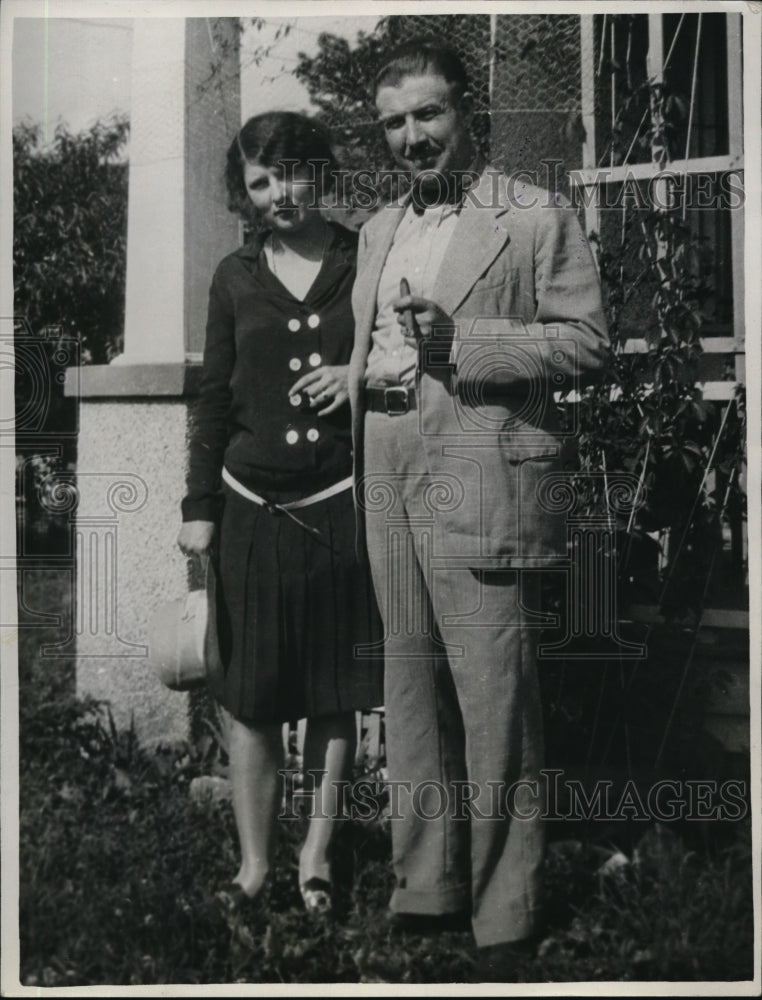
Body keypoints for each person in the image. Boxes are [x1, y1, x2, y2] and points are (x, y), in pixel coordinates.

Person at [348, 42, 610, 978]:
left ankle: (507, 907)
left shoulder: (534, 215)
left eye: (428, 115)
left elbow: (585, 344)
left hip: (480, 462)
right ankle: (427, 886)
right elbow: (370, 344)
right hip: (386, 453)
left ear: (469, 114)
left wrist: (469, 341)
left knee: (494, 694)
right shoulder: (378, 229)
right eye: (394, 122)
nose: (412, 137)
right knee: (410, 682)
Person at [177, 111, 383, 921]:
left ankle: (318, 857)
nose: (278, 194)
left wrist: (354, 377)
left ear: (319, 172)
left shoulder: (364, 255)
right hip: (253, 510)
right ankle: (256, 865)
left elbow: (401, 353)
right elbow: (214, 398)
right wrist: (200, 508)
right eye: (261, 182)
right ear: (247, 192)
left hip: (338, 506)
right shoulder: (234, 276)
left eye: (291, 173)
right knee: (253, 699)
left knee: (336, 694)